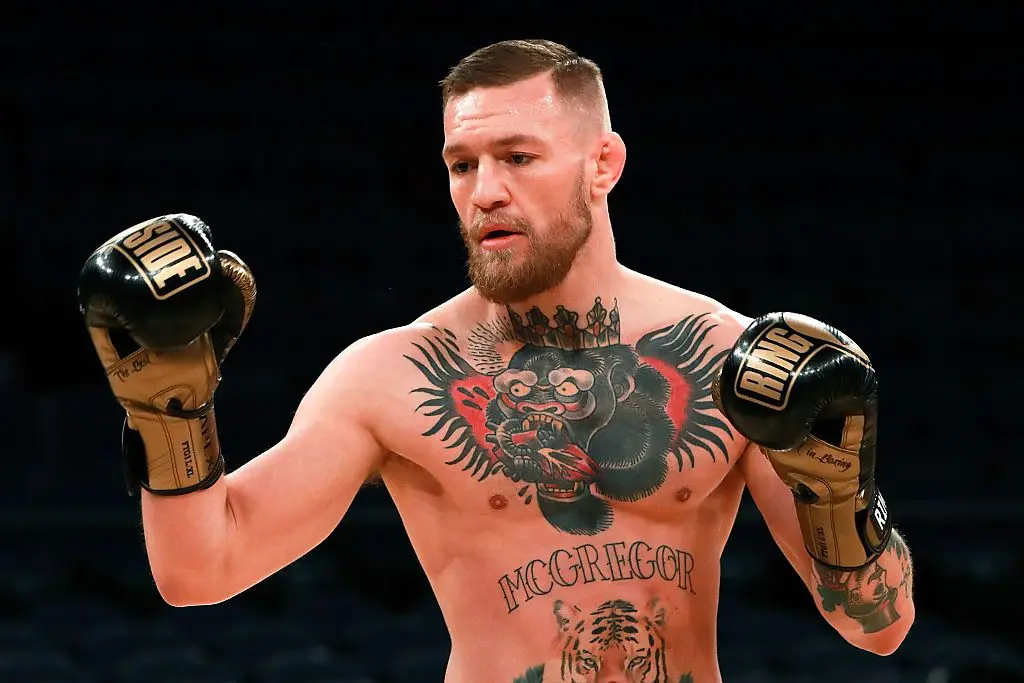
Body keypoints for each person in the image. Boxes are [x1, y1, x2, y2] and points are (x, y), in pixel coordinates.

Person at [77, 39, 915, 683]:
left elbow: (878, 626)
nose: (484, 192)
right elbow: (201, 569)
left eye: (518, 157)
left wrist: (841, 497)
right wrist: (169, 416)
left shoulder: (724, 356)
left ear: (602, 164)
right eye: (461, 164)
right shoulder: (392, 374)